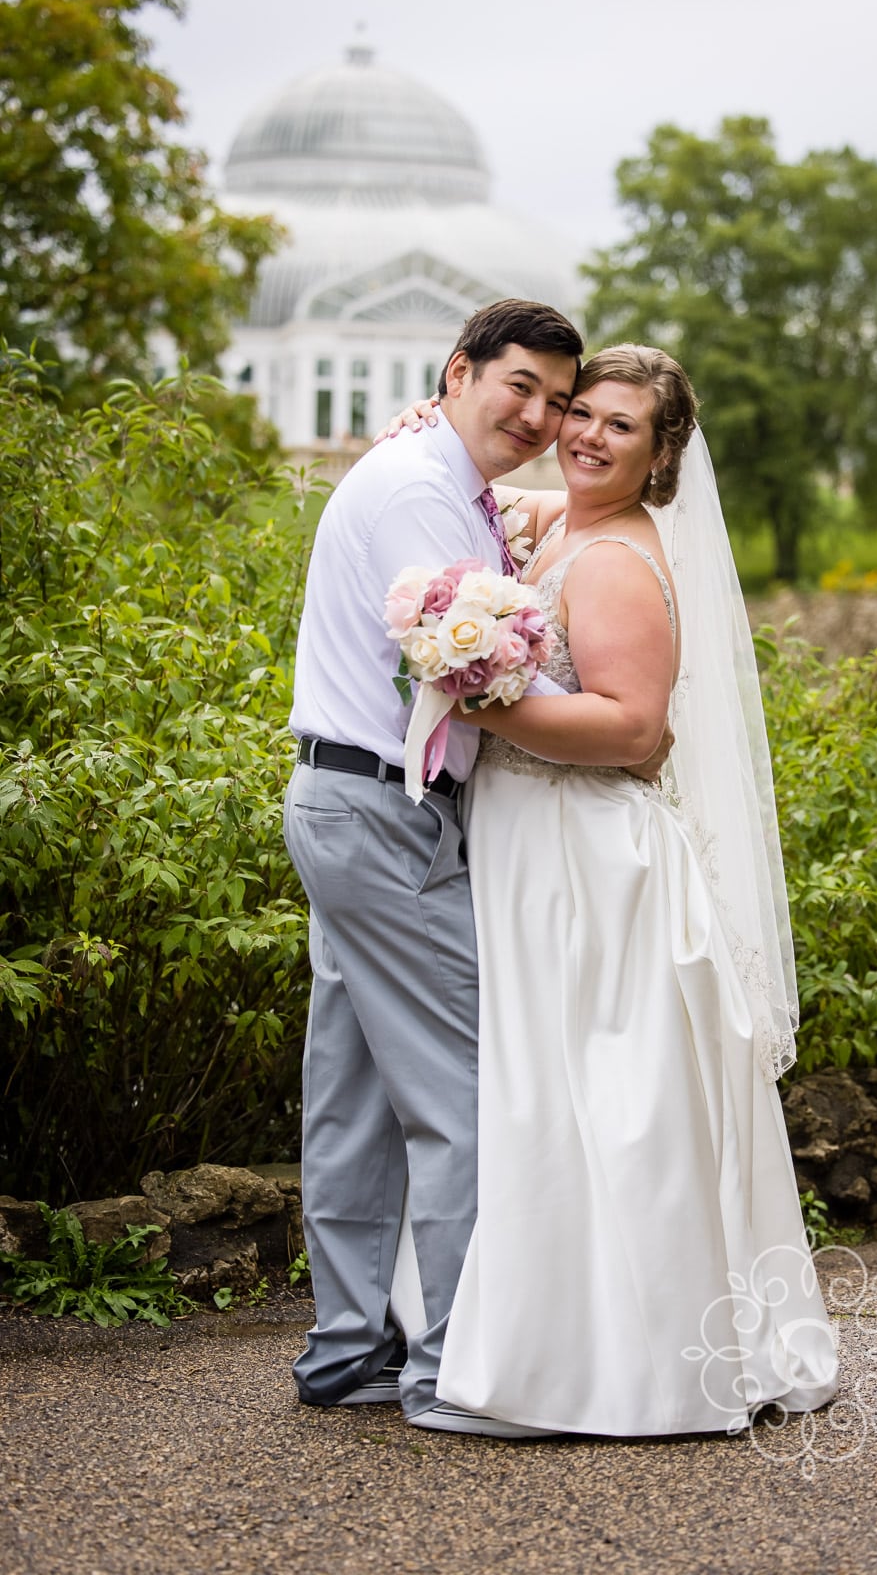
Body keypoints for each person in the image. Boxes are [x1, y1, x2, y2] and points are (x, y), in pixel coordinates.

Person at [385, 346, 839, 1435]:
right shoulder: (567, 524)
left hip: (584, 859)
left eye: (616, 427)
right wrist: (433, 427)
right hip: (532, 842)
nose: (584, 435)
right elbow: (496, 484)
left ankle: (613, 1365)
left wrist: (477, 695)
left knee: (591, 1103)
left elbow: (634, 729)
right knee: (540, 1092)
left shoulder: (619, 563)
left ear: (661, 453)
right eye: (577, 412)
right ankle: (543, 1341)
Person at [283, 299, 585, 1438]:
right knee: (461, 1089)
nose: (539, 415)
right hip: (377, 812)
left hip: (349, 800)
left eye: (556, 401)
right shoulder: (420, 486)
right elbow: (469, 669)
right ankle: (459, 1366)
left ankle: (350, 1349)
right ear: (459, 371)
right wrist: (612, 729)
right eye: (519, 386)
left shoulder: (436, 472)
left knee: (357, 1094)